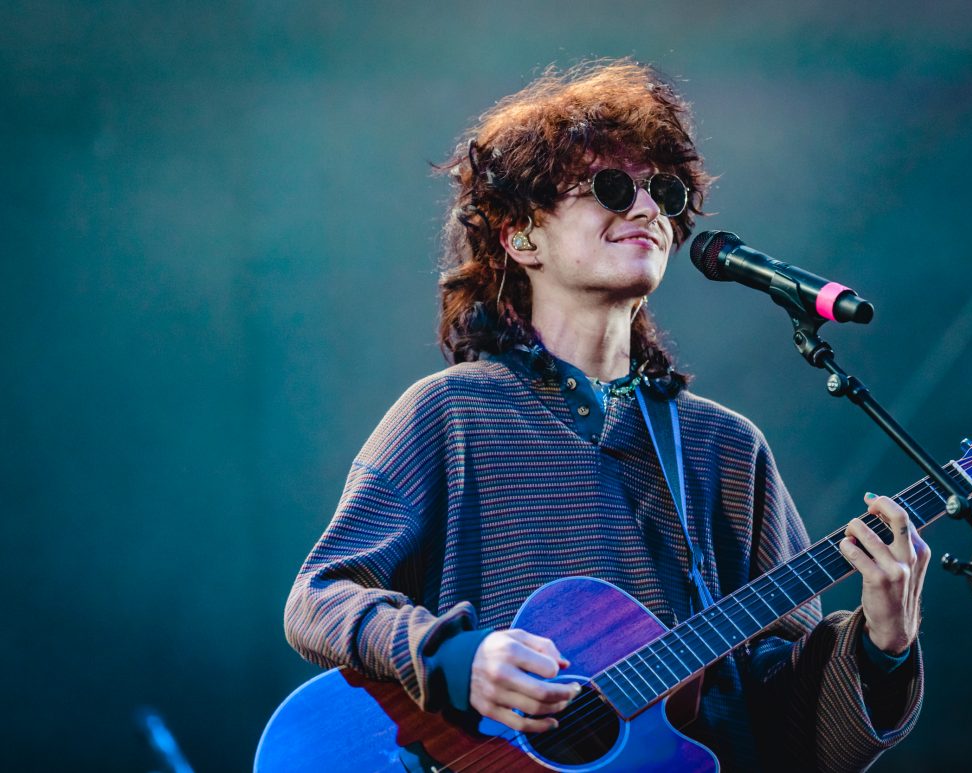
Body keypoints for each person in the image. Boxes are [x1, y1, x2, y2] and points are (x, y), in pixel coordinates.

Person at [284, 59, 929, 771]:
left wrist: (882, 647)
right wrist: (457, 659)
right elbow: (320, 596)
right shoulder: (451, 414)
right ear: (521, 238)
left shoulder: (726, 448)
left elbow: (781, 730)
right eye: (612, 188)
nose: (648, 209)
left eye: (665, 193)